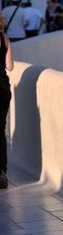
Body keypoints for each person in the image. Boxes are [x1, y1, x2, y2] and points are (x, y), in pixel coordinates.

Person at [0, 14, 13, 189]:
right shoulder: (4, 39)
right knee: (1, 128)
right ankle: (2, 171)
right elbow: (10, 66)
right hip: (2, 88)